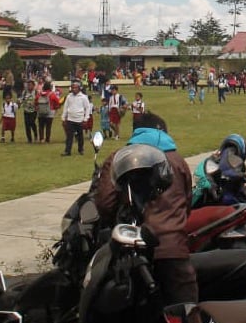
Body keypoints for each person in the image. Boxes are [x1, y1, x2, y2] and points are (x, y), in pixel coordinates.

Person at [94, 112, 197, 306]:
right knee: (186, 309)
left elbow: (105, 204)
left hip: (133, 251)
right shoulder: (177, 160)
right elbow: (187, 205)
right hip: (174, 249)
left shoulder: (120, 158)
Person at [61, 80, 91, 156]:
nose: (74, 89)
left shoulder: (83, 97)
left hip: (79, 119)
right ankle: (67, 151)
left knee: (80, 136)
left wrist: (86, 119)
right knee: (69, 136)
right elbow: (66, 107)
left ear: (79, 88)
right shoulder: (69, 96)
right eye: (72, 88)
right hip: (70, 119)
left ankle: (81, 149)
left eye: (75, 88)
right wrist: (63, 117)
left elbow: (87, 108)